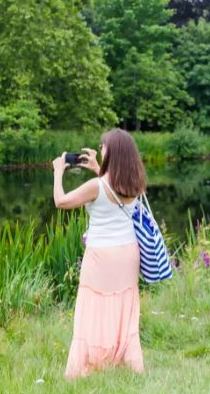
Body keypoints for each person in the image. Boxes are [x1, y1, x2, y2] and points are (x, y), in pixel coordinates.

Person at [52, 129, 146, 379]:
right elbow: (112, 189)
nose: (101, 151)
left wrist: (58, 171)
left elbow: (61, 202)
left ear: (112, 153)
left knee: (93, 305)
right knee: (123, 305)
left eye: (103, 148)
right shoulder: (134, 184)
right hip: (128, 254)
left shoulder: (96, 186)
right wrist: (98, 168)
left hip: (101, 256)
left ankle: (86, 365)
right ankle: (126, 360)